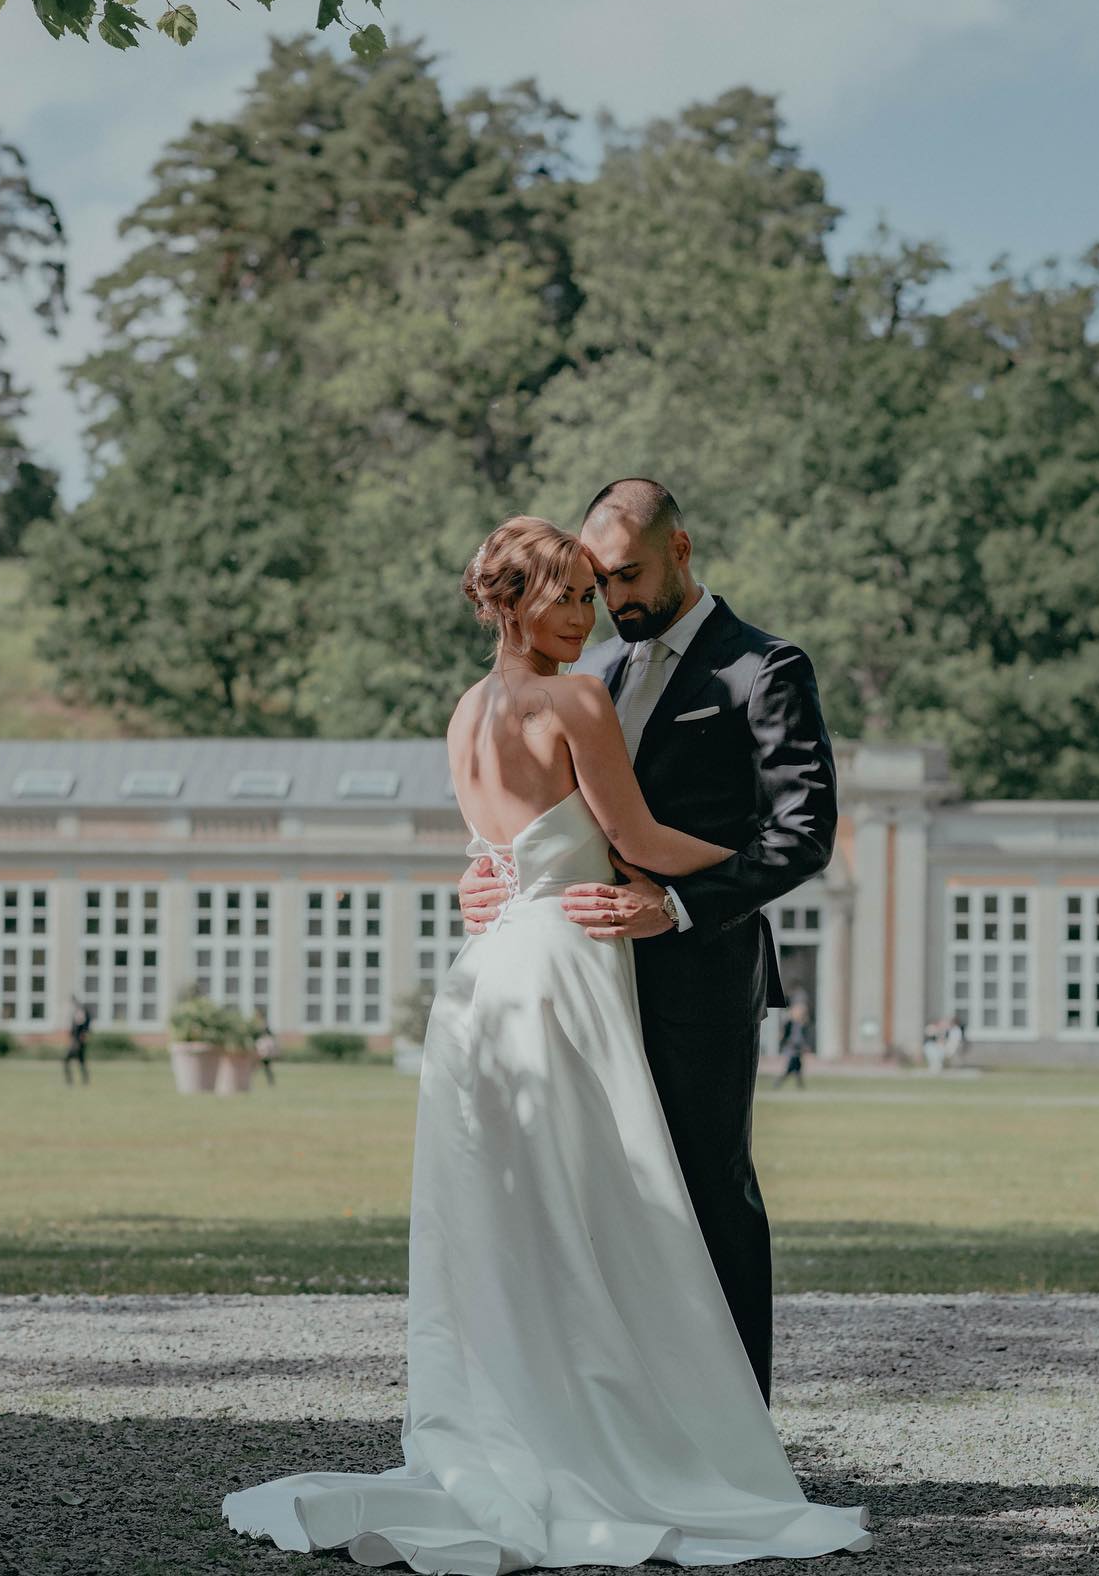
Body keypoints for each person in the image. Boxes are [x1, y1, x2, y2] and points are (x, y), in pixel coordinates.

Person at [222, 511, 870, 1569]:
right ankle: (630, 1443)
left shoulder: (464, 712)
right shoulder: (579, 694)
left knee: (507, 1221)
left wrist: (499, 877)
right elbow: (643, 842)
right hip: (566, 970)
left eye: (597, 590)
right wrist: (750, 858)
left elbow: (499, 849)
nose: (592, 613)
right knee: (611, 1210)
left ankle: (521, 1427)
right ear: (515, 601)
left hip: (485, 983)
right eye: (571, 593)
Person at [460, 478, 837, 1406]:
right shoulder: (595, 678)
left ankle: (741, 1430)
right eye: (594, 584)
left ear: (681, 549)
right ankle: (635, 1421)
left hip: (702, 974)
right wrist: (491, 874)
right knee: (605, 1211)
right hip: (587, 978)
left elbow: (805, 834)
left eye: (625, 578)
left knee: (710, 1197)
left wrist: (678, 904)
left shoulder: (763, 668)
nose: (612, 603)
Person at [775, 997, 811, 1089]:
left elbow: (803, 1037)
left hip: (798, 1048)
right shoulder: (790, 1023)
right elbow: (785, 1035)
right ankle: (798, 1085)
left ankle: (799, 1085)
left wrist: (805, 1046)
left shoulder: (802, 1024)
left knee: (797, 1066)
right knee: (792, 1066)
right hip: (792, 1047)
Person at [63, 995, 91, 1086]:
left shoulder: (80, 1011)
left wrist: (78, 1041)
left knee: (67, 1061)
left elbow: (81, 1028)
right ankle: (84, 1081)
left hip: (78, 1042)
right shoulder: (79, 1011)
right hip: (78, 1042)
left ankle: (71, 1082)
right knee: (81, 1062)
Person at [252, 1008, 277, 1086]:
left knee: (266, 1066)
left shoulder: (264, 1025)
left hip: (263, 1048)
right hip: (259, 1047)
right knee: (255, 1065)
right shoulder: (257, 1024)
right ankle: (250, 1081)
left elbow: (269, 1035)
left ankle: (271, 1082)